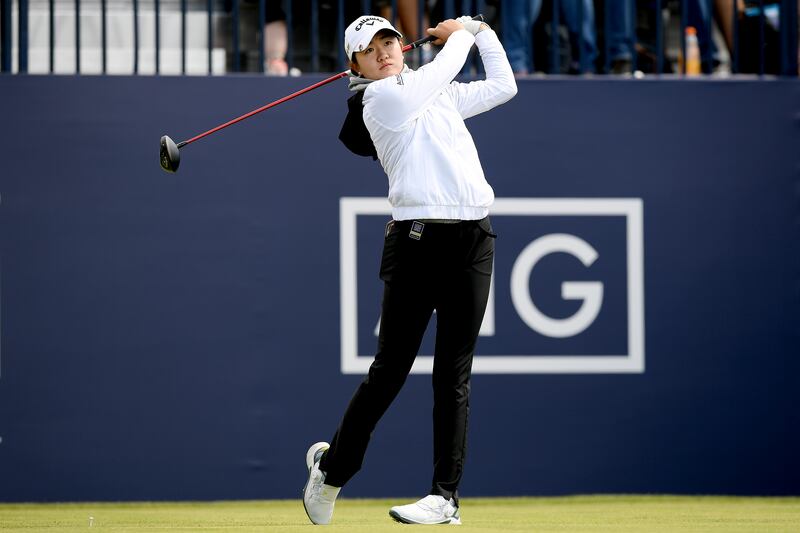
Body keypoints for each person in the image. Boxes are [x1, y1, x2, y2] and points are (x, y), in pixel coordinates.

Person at [302, 14, 517, 526]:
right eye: (371, 49)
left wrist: (483, 34)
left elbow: (503, 86)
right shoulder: (379, 101)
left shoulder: (433, 93)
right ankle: (332, 473)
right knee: (390, 372)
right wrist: (464, 30)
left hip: (474, 237)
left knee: (454, 375)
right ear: (355, 65)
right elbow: (442, 70)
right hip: (417, 241)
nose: (385, 52)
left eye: (390, 42)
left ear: (403, 46)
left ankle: (445, 498)